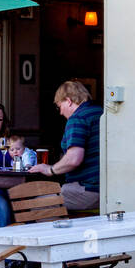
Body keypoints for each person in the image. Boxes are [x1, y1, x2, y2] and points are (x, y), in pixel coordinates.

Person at [28, 80, 101, 213]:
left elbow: (74, 159)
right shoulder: (100, 112)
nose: (60, 112)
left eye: (59, 106)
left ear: (68, 101)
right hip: (107, 189)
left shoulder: (78, 118)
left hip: (88, 189)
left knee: (33, 207)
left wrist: (50, 169)